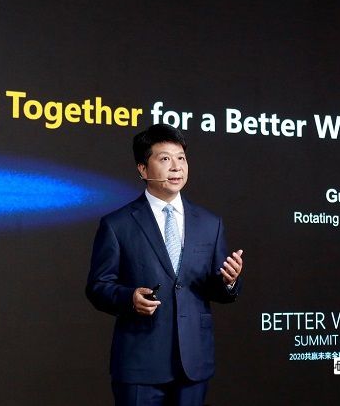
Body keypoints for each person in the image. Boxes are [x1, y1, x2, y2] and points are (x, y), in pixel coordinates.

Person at [86, 123, 244, 406]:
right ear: (143, 169)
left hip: (193, 363)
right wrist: (129, 298)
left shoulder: (210, 223)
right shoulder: (117, 224)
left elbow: (214, 289)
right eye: (165, 158)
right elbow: (98, 286)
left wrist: (229, 281)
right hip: (140, 364)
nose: (176, 167)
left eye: (181, 158)